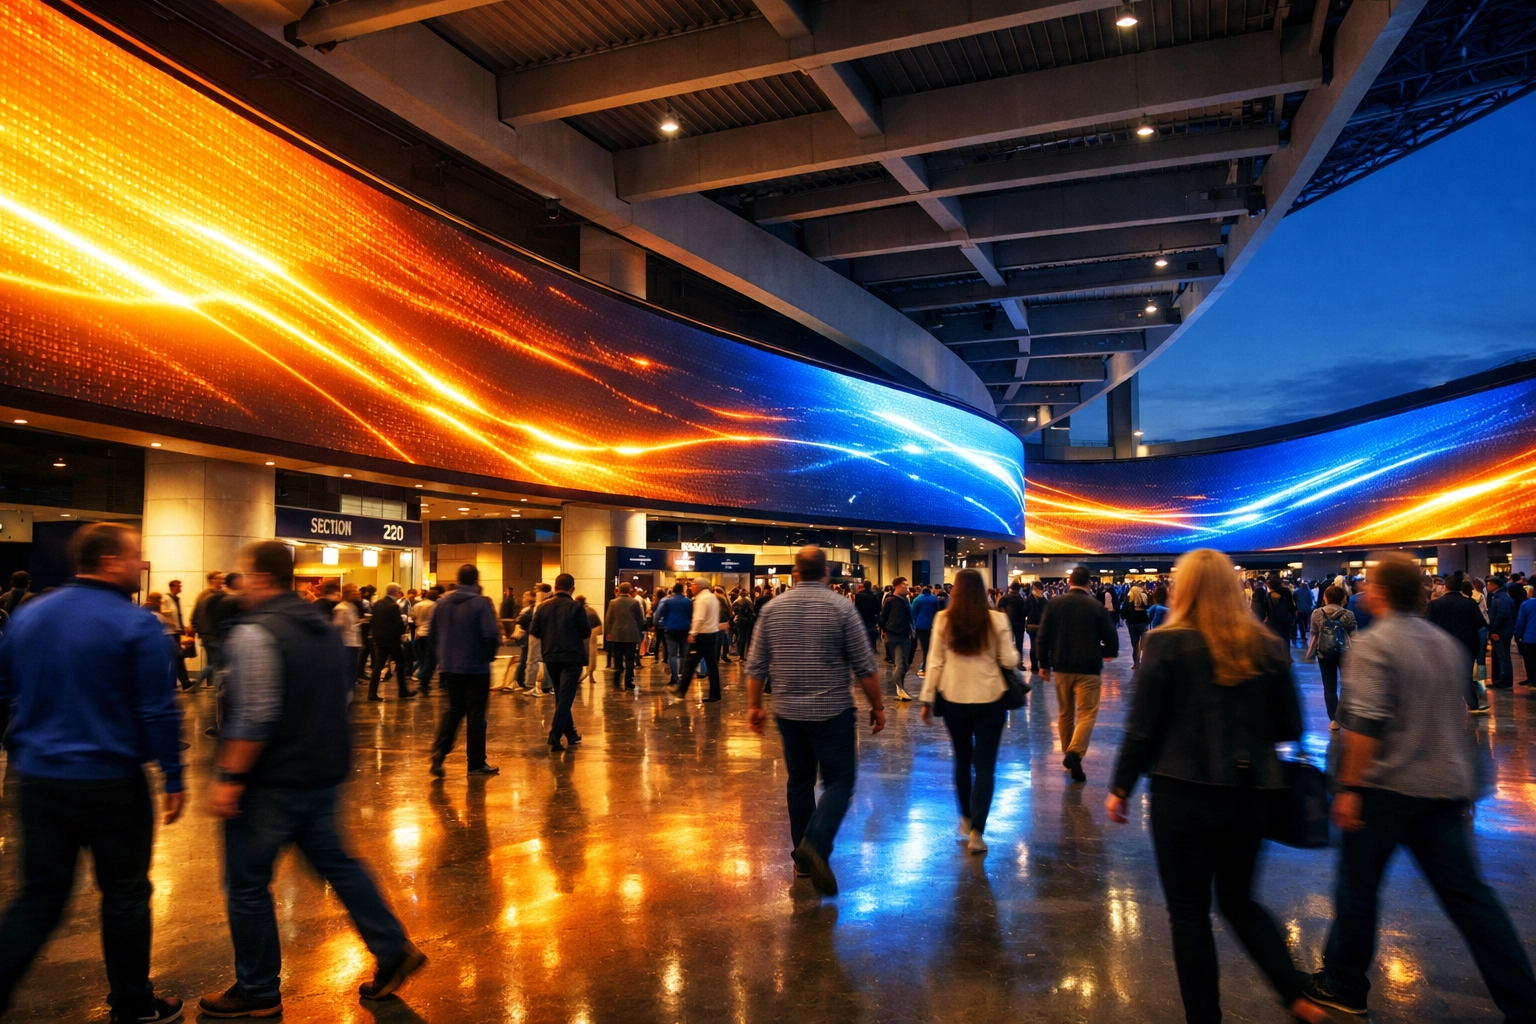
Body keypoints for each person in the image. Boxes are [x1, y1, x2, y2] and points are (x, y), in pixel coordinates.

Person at [1301, 554, 1536, 1020]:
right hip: (1444, 789)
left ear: (1383, 592)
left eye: (1370, 584)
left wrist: (1348, 789)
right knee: (1471, 900)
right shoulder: (1444, 645)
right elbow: (1453, 718)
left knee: (1357, 887)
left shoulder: (1372, 646)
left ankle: (1345, 984)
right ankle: (1523, 998)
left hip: (1385, 790)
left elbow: (1365, 727)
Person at [200, 541, 425, 1018]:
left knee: (246, 885)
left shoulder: (256, 632)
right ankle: (391, 948)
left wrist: (228, 775)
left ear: (262, 577)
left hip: (270, 782)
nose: (239, 585)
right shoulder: (321, 625)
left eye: (244, 574)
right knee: (339, 865)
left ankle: (257, 989)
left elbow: (256, 715)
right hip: (321, 773)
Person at [1105, 548, 1324, 1024]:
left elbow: (1143, 727)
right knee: (1240, 900)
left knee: (1188, 913)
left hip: (1181, 791)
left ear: (1184, 588)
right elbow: (1290, 726)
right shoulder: (1267, 646)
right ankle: (1296, 996)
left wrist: (1120, 787)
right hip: (1251, 793)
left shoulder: (1166, 644)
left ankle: (1205, 1019)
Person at [0, 523, 185, 1024]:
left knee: (38, 898)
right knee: (125, 894)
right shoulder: (135, 624)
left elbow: (7, 691)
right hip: (111, 781)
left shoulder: (28, 615)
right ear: (109, 561)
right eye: (135, 558)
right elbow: (155, 709)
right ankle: (132, 1002)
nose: (139, 566)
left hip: (37, 778)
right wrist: (173, 775)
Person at [745, 546, 883, 897]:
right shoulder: (841, 608)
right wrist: (878, 707)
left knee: (799, 781)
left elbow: (756, 666)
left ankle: (801, 861)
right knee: (839, 780)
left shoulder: (772, 609)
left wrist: (754, 707)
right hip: (832, 711)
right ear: (826, 573)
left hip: (788, 713)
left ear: (795, 572)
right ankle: (816, 844)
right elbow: (865, 667)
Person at [918, 568, 1018, 855]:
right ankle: (978, 833)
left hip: (954, 699)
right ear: (984, 590)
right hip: (991, 698)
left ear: (956, 590)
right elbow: (1010, 659)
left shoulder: (943, 619)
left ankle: (965, 816)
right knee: (986, 765)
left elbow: (934, 663)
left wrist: (927, 701)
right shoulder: (997, 619)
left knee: (962, 759)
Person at [1037, 566, 1119, 783]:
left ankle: (1069, 756)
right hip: (1089, 669)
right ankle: (1074, 754)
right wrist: (1108, 652)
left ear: (1069, 581)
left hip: (1062, 667)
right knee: (1087, 714)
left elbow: (1042, 636)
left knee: (1065, 713)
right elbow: (1111, 636)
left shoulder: (1054, 604)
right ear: (1089, 584)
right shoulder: (1095, 606)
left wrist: (1043, 664)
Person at [429, 564, 503, 776]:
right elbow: (490, 634)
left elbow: (433, 636)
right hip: (476, 667)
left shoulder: (442, 603)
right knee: (476, 715)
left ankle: (439, 751)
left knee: (454, 710)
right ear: (476, 581)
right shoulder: (480, 603)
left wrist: (443, 659)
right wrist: (488, 656)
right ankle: (476, 762)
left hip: (450, 667)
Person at [531, 573, 593, 751]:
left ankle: (571, 733)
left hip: (551, 656)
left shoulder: (543, 607)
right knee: (566, 697)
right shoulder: (576, 607)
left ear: (555, 586)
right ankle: (555, 734)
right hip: (571, 656)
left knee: (561, 695)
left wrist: (550, 635)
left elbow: (534, 630)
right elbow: (586, 632)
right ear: (572, 588)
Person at [1427, 571, 1490, 712]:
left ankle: (1442, 705)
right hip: (1466, 643)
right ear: (1460, 587)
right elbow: (1480, 623)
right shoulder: (1469, 603)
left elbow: (1429, 625)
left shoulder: (1435, 604)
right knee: (1465, 674)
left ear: (1445, 587)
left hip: (1441, 644)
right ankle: (1473, 704)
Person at [1308, 585, 1357, 729]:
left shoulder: (1317, 613)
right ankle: (1345, 716)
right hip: (1345, 654)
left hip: (1324, 654)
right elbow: (1354, 636)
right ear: (1344, 599)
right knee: (1346, 685)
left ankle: (1334, 720)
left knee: (1329, 687)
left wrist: (1310, 653)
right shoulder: (1348, 614)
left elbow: (1314, 633)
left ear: (1325, 597)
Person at [671, 578, 722, 703]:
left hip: (702, 635)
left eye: (693, 585)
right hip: (712, 633)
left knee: (690, 663)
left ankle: (681, 690)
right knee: (712, 664)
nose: (691, 588)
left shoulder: (701, 599)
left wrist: (692, 633)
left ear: (699, 586)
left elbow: (698, 618)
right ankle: (715, 694)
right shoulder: (713, 598)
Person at [368, 584, 414, 702]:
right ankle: (403, 690)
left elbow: (373, 621)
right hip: (392, 640)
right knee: (401, 663)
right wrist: (402, 631)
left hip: (379, 639)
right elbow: (398, 624)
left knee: (378, 666)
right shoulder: (393, 606)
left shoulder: (378, 604)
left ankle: (372, 692)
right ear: (396, 592)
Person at [878, 577, 915, 701]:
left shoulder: (904, 600)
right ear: (897, 586)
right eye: (904, 584)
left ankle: (900, 687)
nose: (906, 587)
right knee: (900, 663)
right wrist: (886, 630)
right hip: (895, 635)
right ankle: (899, 688)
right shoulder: (891, 601)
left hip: (905, 635)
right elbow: (882, 618)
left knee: (904, 663)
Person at [605, 583, 646, 690]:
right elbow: (641, 620)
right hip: (631, 635)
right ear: (629, 590)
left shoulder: (612, 602)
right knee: (629, 659)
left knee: (617, 658)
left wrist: (609, 633)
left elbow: (608, 619)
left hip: (616, 635)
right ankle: (628, 681)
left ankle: (616, 681)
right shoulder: (635, 602)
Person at [654, 583, 693, 688]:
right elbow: (692, 616)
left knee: (672, 655)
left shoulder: (666, 601)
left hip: (671, 630)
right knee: (683, 654)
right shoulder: (689, 602)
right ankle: (682, 676)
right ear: (683, 590)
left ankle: (674, 677)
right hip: (685, 630)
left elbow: (657, 615)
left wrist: (659, 624)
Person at [193, 570, 227, 686]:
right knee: (217, 662)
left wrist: (197, 629)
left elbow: (195, 614)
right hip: (214, 633)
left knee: (211, 661)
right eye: (220, 578)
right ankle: (200, 682)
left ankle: (210, 684)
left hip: (205, 634)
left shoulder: (202, 595)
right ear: (213, 580)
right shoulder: (216, 596)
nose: (222, 581)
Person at [1486, 576, 1515, 689]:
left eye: (1489, 584)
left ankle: (1505, 681)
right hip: (1505, 631)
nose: (1488, 586)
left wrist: (1494, 630)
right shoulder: (1504, 597)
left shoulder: (1499, 598)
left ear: (1495, 585)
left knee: (1503, 657)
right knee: (1504, 656)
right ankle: (1505, 680)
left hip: (1500, 632)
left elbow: (1502, 615)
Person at [334, 584, 364, 688]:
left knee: (352, 669)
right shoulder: (341, 608)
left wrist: (359, 622)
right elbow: (337, 625)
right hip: (346, 642)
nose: (357, 594)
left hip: (353, 641)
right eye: (354, 592)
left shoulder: (352, 606)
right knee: (348, 668)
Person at [411, 585, 439, 695]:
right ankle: (423, 680)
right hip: (430, 635)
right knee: (431, 659)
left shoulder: (418, 605)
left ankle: (422, 678)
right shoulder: (436, 606)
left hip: (419, 633)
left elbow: (412, 618)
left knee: (421, 657)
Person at [910, 585, 941, 675]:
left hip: (921, 626)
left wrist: (914, 622)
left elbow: (912, 611)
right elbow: (937, 610)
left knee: (924, 646)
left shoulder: (918, 599)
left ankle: (924, 666)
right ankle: (927, 664)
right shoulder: (934, 599)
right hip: (932, 625)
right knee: (931, 646)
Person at [996, 582, 1028, 662]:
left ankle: (1007, 662)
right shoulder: (1021, 600)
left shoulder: (1005, 598)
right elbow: (1025, 612)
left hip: (1007, 624)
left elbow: (999, 608)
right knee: (1019, 644)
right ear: (1019, 589)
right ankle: (1019, 662)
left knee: (1007, 644)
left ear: (1010, 588)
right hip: (1020, 624)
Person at [1260, 574, 1297, 643]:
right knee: (1285, 642)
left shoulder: (1269, 595)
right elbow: (1292, 607)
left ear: (1270, 586)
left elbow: (1265, 610)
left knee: (1274, 643)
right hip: (1285, 622)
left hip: (1273, 623)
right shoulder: (1287, 593)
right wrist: (1292, 619)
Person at [1121, 585, 1150, 668]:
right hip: (1143, 623)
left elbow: (1124, 612)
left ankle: (1136, 664)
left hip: (1132, 623)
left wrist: (1126, 617)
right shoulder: (1144, 597)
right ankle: (1145, 663)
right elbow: (1148, 607)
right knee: (1144, 645)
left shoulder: (1129, 598)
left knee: (1135, 645)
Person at [1023, 581, 1047, 674]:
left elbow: (1024, 611)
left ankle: (1034, 667)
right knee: (1040, 646)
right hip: (1041, 626)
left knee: (1033, 645)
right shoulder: (1044, 600)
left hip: (1031, 625)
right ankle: (1041, 665)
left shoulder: (1029, 599)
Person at [852, 579, 881, 654]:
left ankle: (862, 648)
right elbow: (877, 607)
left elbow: (856, 606)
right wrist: (877, 615)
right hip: (871, 617)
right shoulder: (873, 595)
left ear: (864, 586)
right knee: (873, 633)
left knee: (862, 633)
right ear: (870, 586)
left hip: (861, 617)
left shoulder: (858, 595)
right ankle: (874, 647)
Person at [1515, 587, 1536, 685]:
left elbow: (1520, 622)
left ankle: (1531, 678)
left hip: (1530, 637)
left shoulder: (1526, 604)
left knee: (1529, 659)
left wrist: (1517, 634)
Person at [732, 587, 757, 663]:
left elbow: (733, 611)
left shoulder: (736, 601)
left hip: (739, 621)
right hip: (748, 621)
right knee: (748, 638)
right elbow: (752, 610)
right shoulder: (748, 601)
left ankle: (741, 655)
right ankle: (747, 655)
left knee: (740, 637)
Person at [1294, 578, 1315, 648]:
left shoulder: (1297, 591)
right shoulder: (1309, 592)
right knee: (1305, 621)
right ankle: (1305, 633)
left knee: (1300, 622)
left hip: (1300, 609)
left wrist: (1296, 608)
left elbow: (1295, 599)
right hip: (1307, 610)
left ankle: (1302, 635)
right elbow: (1312, 600)